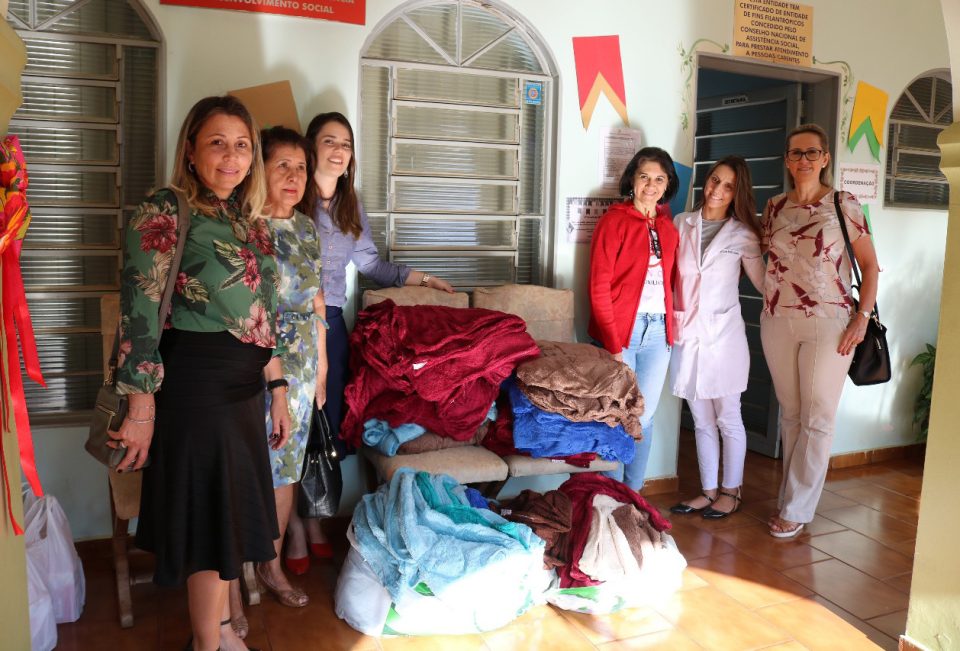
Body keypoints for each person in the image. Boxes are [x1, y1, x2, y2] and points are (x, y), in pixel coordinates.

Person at [109, 95, 289, 651]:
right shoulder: (166, 209)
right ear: (190, 150)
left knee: (226, 517)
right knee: (211, 526)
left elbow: (263, 316)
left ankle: (221, 634)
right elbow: (139, 311)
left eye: (242, 145)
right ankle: (208, 644)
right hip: (198, 387)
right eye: (217, 143)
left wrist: (278, 389)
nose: (231, 157)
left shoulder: (247, 220)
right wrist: (142, 407)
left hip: (244, 391)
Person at [284, 111, 454, 557]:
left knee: (325, 424)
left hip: (331, 324)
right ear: (310, 147)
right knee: (291, 426)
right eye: (329, 141)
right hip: (291, 324)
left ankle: (314, 519)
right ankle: (295, 530)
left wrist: (425, 279)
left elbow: (372, 265)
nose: (339, 151)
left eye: (346, 144)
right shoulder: (291, 195)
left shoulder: (349, 205)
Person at [761, 124, 879, 538]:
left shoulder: (844, 204)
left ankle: (797, 507)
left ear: (825, 158)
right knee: (792, 413)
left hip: (830, 323)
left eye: (812, 152)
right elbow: (764, 259)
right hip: (777, 319)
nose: (804, 160)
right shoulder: (774, 206)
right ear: (787, 160)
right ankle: (791, 497)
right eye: (796, 153)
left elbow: (870, 266)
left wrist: (862, 317)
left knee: (819, 415)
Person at [667, 156, 765, 519]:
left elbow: (764, 284)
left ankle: (731, 491)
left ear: (737, 193)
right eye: (714, 180)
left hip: (724, 339)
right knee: (701, 419)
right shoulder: (682, 223)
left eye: (728, 186)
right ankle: (708, 491)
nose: (717, 190)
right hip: (688, 335)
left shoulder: (743, 234)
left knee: (728, 417)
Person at [589, 146, 680, 491]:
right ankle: (611, 497)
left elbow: (674, 284)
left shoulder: (669, 229)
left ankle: (634, 494)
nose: (651, 185)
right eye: (644, 177)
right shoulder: (613, 221)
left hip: (658, 332)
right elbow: (598, 287)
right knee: (616, 415)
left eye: (659, 179)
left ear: (667, 184)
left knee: (645, 416)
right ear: (632, 180)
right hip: (621, 333)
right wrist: (613, 344)